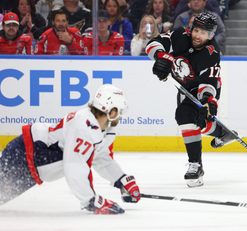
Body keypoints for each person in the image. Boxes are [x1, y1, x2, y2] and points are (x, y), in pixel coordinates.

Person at [0, 84, 141, 214]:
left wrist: (121, 179)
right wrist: (91, 200)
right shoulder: (83, 125)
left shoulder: (100, 129)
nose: (120, 116)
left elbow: (101, 157)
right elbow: (74, 166)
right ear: (111, 111)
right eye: (119, 111)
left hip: (32, 164)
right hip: (25, 155)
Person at [145, 11, 235, 187]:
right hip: (185, 86)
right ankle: (221, 133)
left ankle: (196, 165)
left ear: (211, 35)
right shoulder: (180, 34)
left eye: (203, 33)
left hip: (202, 89)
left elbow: (209, 83)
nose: (197, 35)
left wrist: (208, 101)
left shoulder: (212, 53)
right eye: (196, 30)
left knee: (188, 116)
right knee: (189, 119)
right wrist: (161, 58)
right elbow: (153, 44)